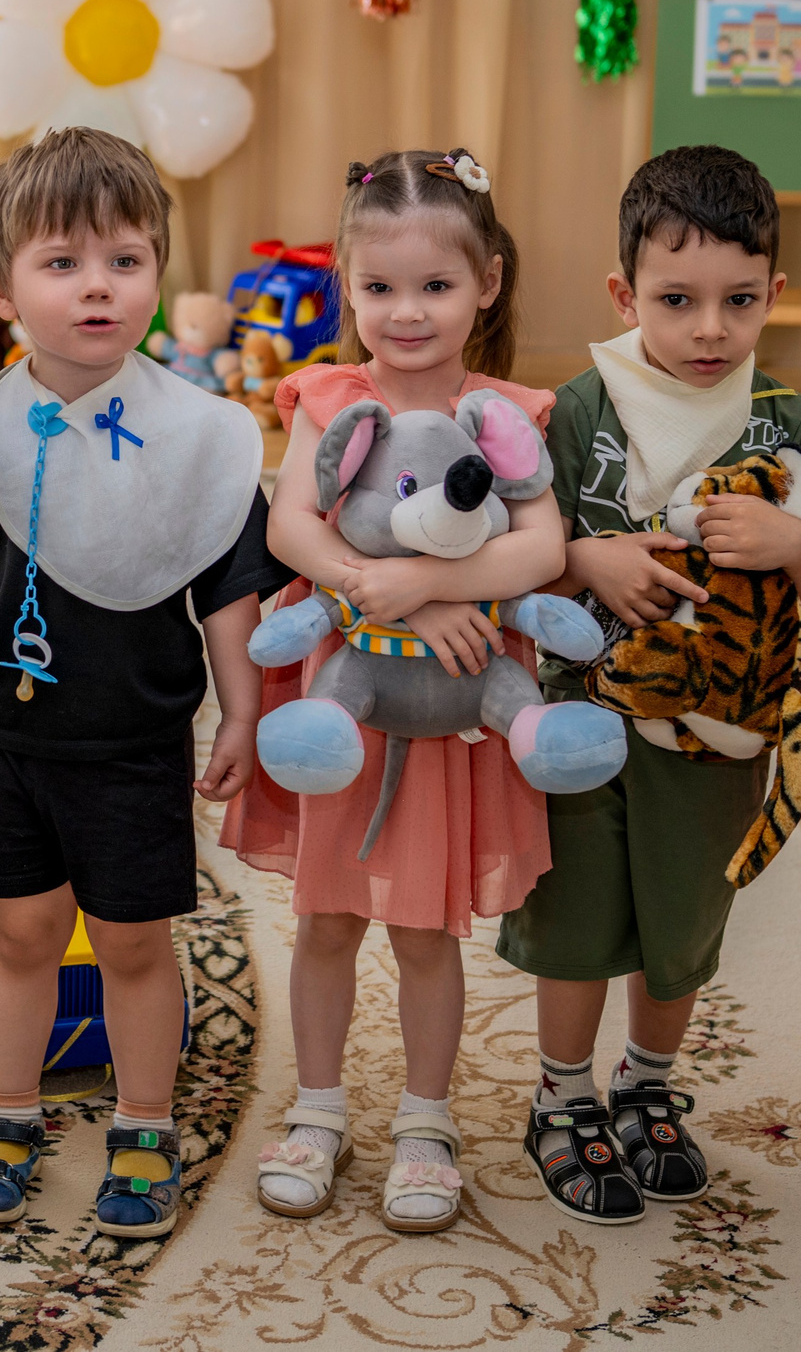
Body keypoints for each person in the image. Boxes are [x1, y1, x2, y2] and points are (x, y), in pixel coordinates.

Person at [0, 126, 282, 1239]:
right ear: (1, 286)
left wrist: (243, 708)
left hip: (134, 742)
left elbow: (229, 594)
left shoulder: (201, 438)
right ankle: (7, 1116)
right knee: (15, 937)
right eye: (61, 263)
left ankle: (144, 1126)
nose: (97, 287)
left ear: (159, 269)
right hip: (9, 744)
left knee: (135, 945)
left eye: (125, 259)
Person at [498, 144, 801, 1224]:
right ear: (624, 294)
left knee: (683, 918)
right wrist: (587, 560)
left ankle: (646, 1086)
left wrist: (795, 540)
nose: (710, 330)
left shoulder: (786, 426)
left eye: (738, 301)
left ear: (773, 296)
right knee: (578, 915)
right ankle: (562, 1100)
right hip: (582, 719)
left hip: (720, 737)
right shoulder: (574, 409)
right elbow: (521, 561)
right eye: (677, 300)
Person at [220, 149, 572, 1233]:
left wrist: (432, 583)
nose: (405, 313)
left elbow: (541, 546)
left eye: (434, 287)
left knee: (425, 931)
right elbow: (291, 525)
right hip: (346, 696)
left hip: (458, 708)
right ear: (345, 286)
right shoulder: (331, 399)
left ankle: (427, 1122)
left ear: (488, 284)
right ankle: (317, 1109)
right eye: (377, 289)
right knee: (325, 917)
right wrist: (395, 599)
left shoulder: (506, 412)